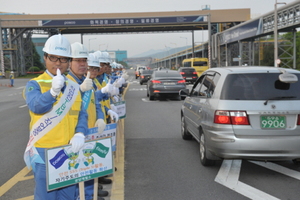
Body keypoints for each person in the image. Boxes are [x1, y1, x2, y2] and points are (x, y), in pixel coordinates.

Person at [23, 34, 88, 200]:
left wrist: (80, 133)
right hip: (45, 153)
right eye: (53, 57)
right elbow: (36, 106)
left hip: (69, 151)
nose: (58, 63)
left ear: (68, 61)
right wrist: (52, 92)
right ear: (45, 58)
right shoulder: (36, 84)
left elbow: (81, 113)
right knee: (46, 197)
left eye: (63, 59)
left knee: (68, 197)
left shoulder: (74, 86)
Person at [67, 42, 108, 200]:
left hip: (89, 132)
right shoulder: (66, 83)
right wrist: (78, 90)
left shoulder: (88, 82)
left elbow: (96, 104)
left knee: (88, 170)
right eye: (78, 61)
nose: (83, 65)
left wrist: (101, 117)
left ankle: (91, 196)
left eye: (85, 61)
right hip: (73, 137)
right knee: (75, 178)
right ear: (69, 62)